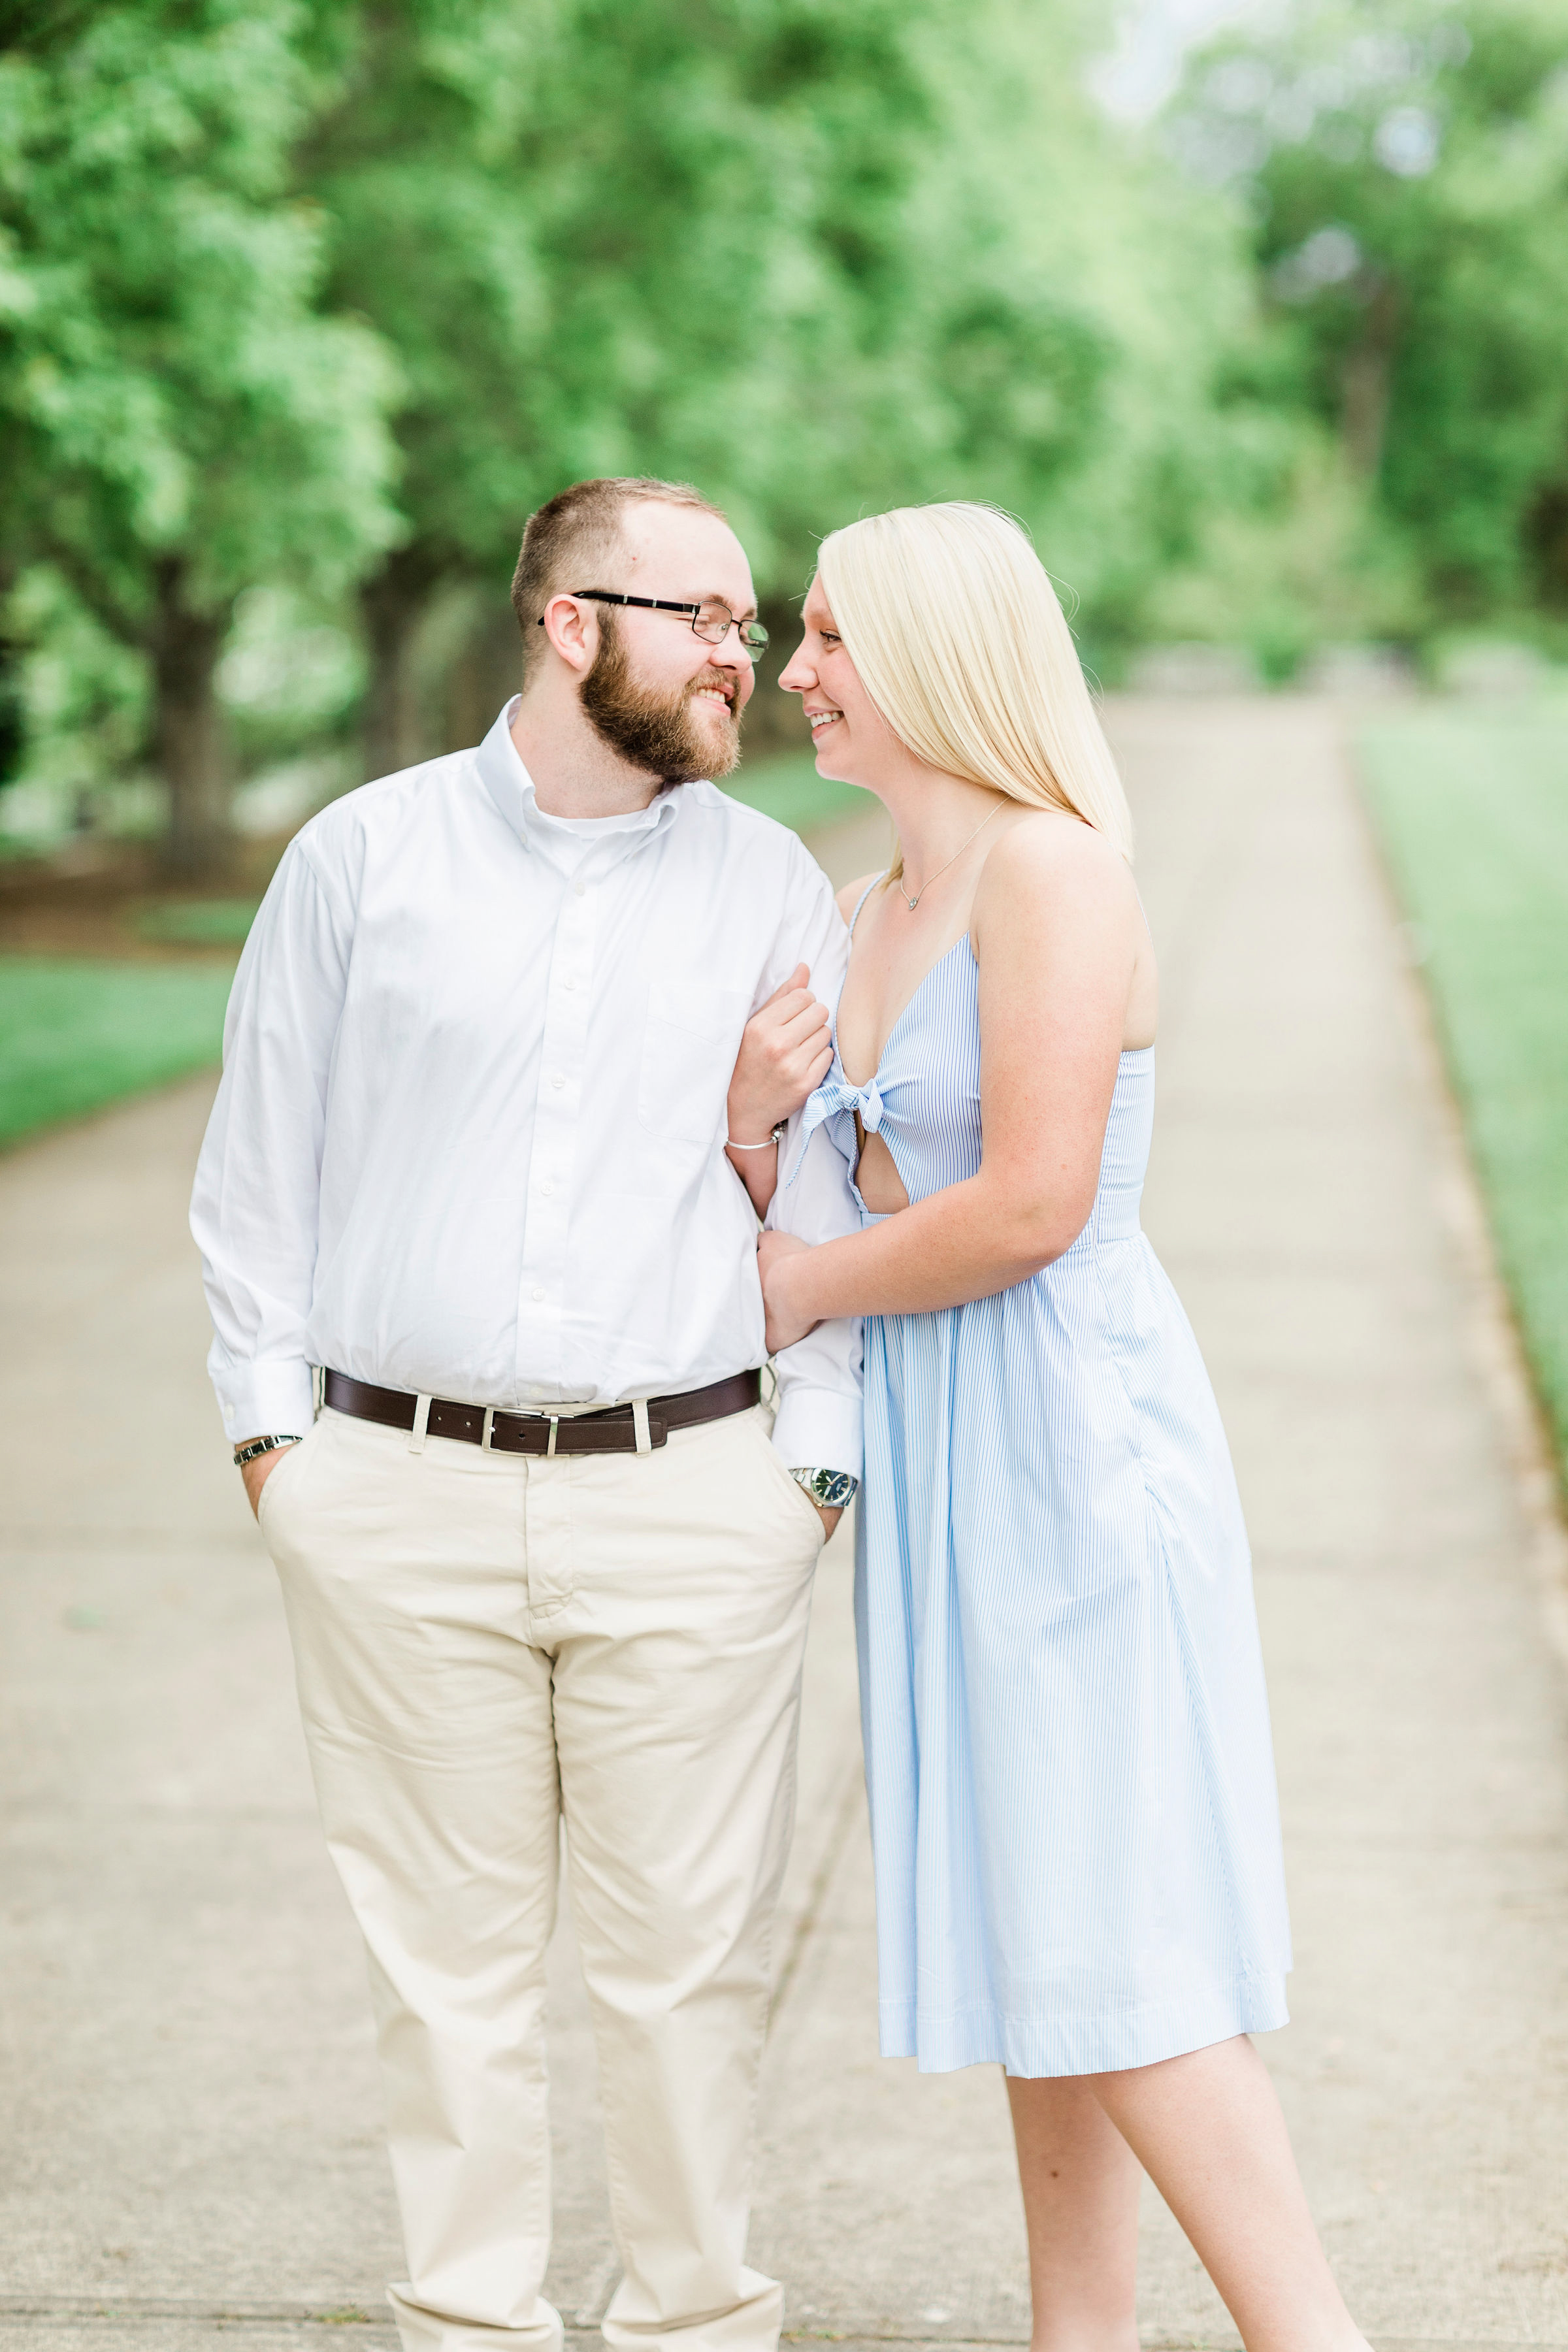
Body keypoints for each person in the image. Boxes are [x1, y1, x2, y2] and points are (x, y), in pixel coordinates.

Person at [190, 475, 864, 2352]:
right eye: (709, 618)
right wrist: (283, 1458)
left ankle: (696, 2325)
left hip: (693, 1492)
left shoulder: (769, 887)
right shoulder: (360, 860)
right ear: (575, 624)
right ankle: (469, 2327)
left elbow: (820, 1195)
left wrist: (803, 1466)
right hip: (392, 1495)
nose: (747, 654)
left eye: (753, 623)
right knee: (449, 1976)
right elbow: (259, 1182)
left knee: (685, 1977)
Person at [756, 502, 1372, 2351]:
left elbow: (1028, 1203)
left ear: (936, 652)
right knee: (1050, 1934)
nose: (794, 674)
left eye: (825, 637)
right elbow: (843, 1189)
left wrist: (788, 1293)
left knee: (1127, 1940)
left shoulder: (1055, 875)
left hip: (1070, 1446)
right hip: (945, 1457)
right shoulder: (870, 904)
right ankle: (1076, 2335)